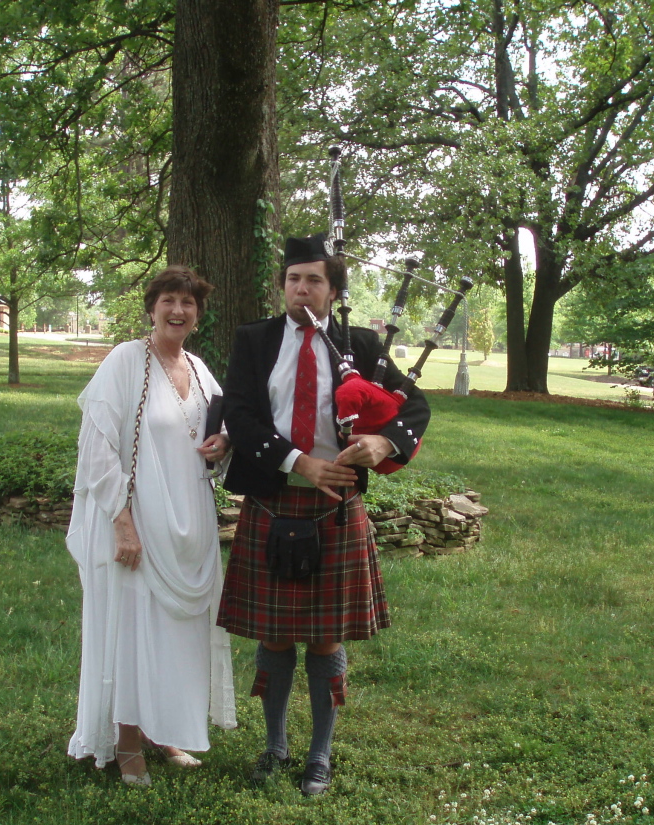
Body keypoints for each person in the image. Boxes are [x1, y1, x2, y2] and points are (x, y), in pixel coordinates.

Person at [217, 235, 430, 795]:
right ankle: (274, 746)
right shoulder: (255, 340)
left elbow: (415, 406)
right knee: (276, 635)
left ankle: (320, 754)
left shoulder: (360, 345)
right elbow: (238, 416)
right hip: (274, 497)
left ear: (333, 291)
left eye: (313, 280)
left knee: (327, 638)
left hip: (337, 510)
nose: (301, 289)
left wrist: (385, 445)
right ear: (282, 286)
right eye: (293, 279)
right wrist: (300, 463)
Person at [67, 265, 237, 786]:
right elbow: (96, 448)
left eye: (188, 303)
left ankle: (166, 731)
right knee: (134, 631)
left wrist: (223, 444)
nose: (178, 311)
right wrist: (121, 522)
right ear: (152, 306)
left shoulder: (200, 367)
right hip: (140, 521)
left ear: (198, 314)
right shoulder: (125, 361)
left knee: (180, 634)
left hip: (190, 526)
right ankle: (125, 740)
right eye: (169, 300)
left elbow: (221, 431)